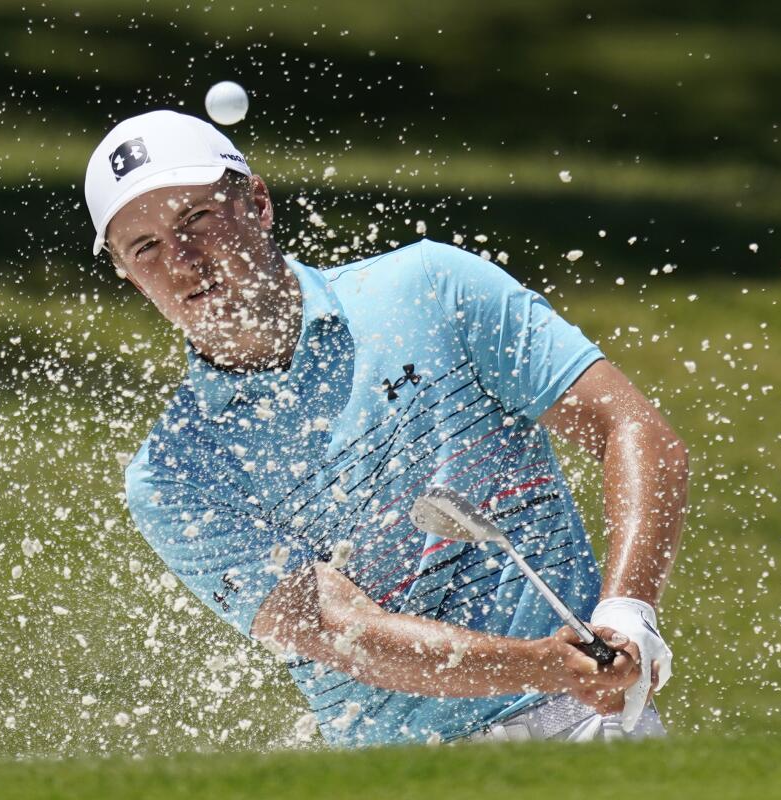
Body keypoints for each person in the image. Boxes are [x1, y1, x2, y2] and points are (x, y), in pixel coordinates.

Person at [83, 110, 689, 746]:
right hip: (402, 772)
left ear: (258, 203)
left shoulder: (429, 286)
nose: (181, 262)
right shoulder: (174, 472)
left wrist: (626, 612)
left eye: (196, 219)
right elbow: (345, 632)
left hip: (586, 728)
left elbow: (631, 430)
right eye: (145, 247)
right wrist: (549, 664)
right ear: (125, 272)